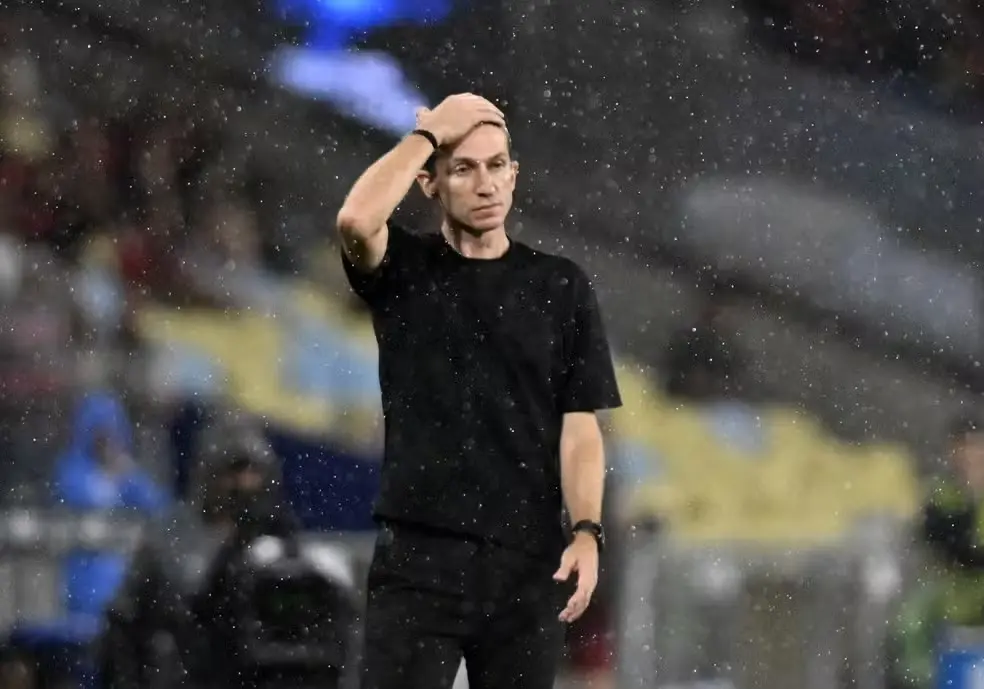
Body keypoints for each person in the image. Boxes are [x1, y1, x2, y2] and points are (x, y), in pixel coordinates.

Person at [336, 93, 623, 689]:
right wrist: (429, 134)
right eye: (463, 168)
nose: (486, 183)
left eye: (497, 166)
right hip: (419, 559)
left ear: (515, 176)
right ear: (429, 184)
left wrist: (588, 532)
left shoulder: (559, 286)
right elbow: (356, 220)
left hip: (525, 566)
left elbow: (580, 427)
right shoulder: (406, 269)